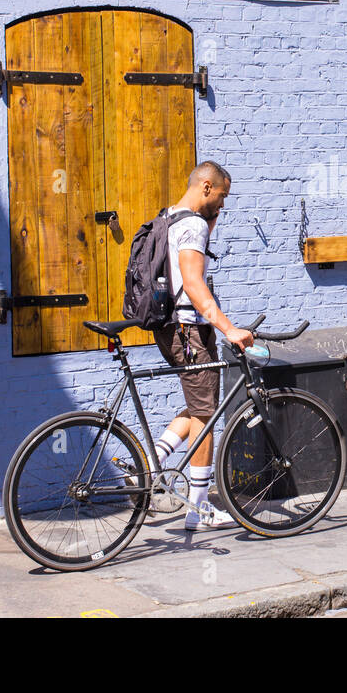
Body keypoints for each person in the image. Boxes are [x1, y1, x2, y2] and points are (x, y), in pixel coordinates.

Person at [150, 160, 255, 532]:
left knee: (199, 405)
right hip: (188, 331)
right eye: (222, 197)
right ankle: (198, 511)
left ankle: (152, 463)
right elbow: (194, 284)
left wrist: (209, 223)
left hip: (169, 328)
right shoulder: (193, 225)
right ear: (207, 187)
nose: (223, 206)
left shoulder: (171, 217)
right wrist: (228, 329)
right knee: (207, 417)